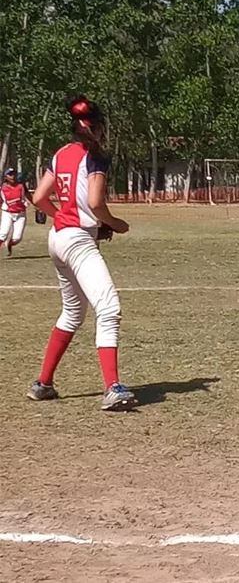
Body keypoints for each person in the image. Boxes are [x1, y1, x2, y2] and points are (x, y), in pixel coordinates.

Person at [29, 95, 135, 411]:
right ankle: (112, 387)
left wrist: (60, 215)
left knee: (73, 312)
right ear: (96, 127)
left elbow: (38, 197)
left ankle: (43, 384)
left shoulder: (61, 153)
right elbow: (95, 202)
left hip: (59, 238)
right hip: (77, 241)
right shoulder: (97, 156)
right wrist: (116, 224)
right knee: (109, 307)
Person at [0, 168, 32, 257]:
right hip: (8, 213)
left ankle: (9, 244)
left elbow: (29, 196)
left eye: (14, 174)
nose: (13, 176)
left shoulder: (21, 186)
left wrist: (37, 206)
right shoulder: (2, 187)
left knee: (17, 238)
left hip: (20, 214)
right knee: (3, 234)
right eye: (10, 174)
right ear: (6, 177)